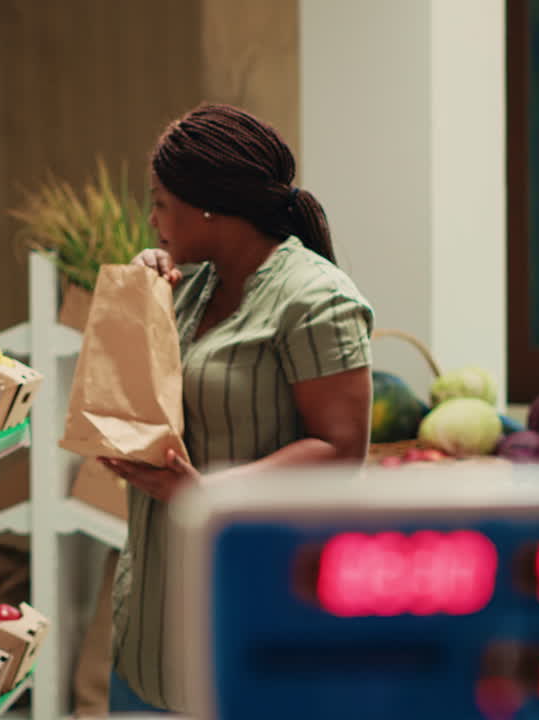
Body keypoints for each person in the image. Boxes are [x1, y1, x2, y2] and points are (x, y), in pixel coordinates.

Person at [98, 103, 375, 714]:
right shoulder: (195, 284)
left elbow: (341, 449)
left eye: (162, 203)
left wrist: (204, 493)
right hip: (151, 625)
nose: (153, 219)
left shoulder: (316, 298)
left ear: (207, 205)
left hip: (252, 625)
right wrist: (141, 293)